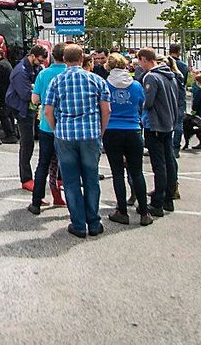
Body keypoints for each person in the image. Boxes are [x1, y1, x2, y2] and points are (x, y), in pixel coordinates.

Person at [42, 44, 110, 238]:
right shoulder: (96, 80)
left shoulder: (57, 81)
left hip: (66, 135)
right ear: (82, 58)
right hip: (90, 134)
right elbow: (106, 110)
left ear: (64, 58)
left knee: (71, 181)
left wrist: (57, 129)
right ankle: (94, 222)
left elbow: (48, 111)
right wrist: (100, 131)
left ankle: (78, 224)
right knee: (91, 179)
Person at [102, 52, 153, 226]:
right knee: (137, 172)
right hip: (133, 129)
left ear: (108, 66)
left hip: (112, 130)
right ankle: (145, 212)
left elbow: (102, 107)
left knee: (117, 173)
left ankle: (122, 211)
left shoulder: (105, 84)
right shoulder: (137, 86)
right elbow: (141, 104)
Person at [136, 48, 179, 217]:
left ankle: (157, 203)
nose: (139, 64)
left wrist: (137, 104)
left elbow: (148, 102)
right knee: (168, 161)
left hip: (155, 124)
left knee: (158, 165)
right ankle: (168, 198)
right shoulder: (170, 75)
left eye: (140, 60)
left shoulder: (151, 77)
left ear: (145, 59)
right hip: (168, 123)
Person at [28, 43, 69, 213]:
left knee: (43, 163)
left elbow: (35, 99)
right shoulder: (71, 74)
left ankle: (36, 202)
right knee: (68, 164)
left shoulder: (44, 74)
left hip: (47, 125)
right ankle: (69, 201)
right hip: (68, 126)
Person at [7, 45, 48, 189]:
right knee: (27, 143)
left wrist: (34, 89)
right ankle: (26, 178)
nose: (41, 63)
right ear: (33, 56)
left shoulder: (36, 68)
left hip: (32, 108)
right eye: (40, 60)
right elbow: (26, 94)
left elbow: (38, 88)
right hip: (22, 109)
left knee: (34, 142)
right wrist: (35, 89)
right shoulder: (20, 71)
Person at [169, 44, 189, 155]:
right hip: (180, 96)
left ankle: (167, 145)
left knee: (166, 121)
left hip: (168, 95)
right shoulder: (183, 66)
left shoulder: (167, 64)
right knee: (178, 123)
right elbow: (184, 81)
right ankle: (175, 147)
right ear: (179, 51)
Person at [0, 48, 17, 143]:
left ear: (0, 54)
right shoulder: (6, 63)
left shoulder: (1, 65)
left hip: (5, 93)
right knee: (9, 114)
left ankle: (10, 135)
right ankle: (12, 133)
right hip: (9, 92)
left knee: (4, 114)